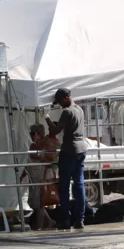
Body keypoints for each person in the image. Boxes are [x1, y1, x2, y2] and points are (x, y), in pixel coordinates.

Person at [45, 88, 88, 231]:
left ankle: (65, 219)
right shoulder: (80, 110)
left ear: (65, 98)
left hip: (69, 150)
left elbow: (56, 130)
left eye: (60, 102)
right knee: (79, 185)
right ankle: (80, 220)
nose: (60, 105)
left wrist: (46, 118)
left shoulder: (67, 111)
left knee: (64, 187)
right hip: (82, 149)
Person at [20, 124, 58, 230]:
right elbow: (29, 163)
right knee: (36, 204)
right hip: (34, 177)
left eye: (32, 133)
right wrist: (23, 174)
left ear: (37, 134)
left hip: (41, 177)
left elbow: (51, 159)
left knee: (39, 203)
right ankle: (49, 222)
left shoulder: (44, 144)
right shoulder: (34, 145)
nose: (31, 135)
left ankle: (40, 226)